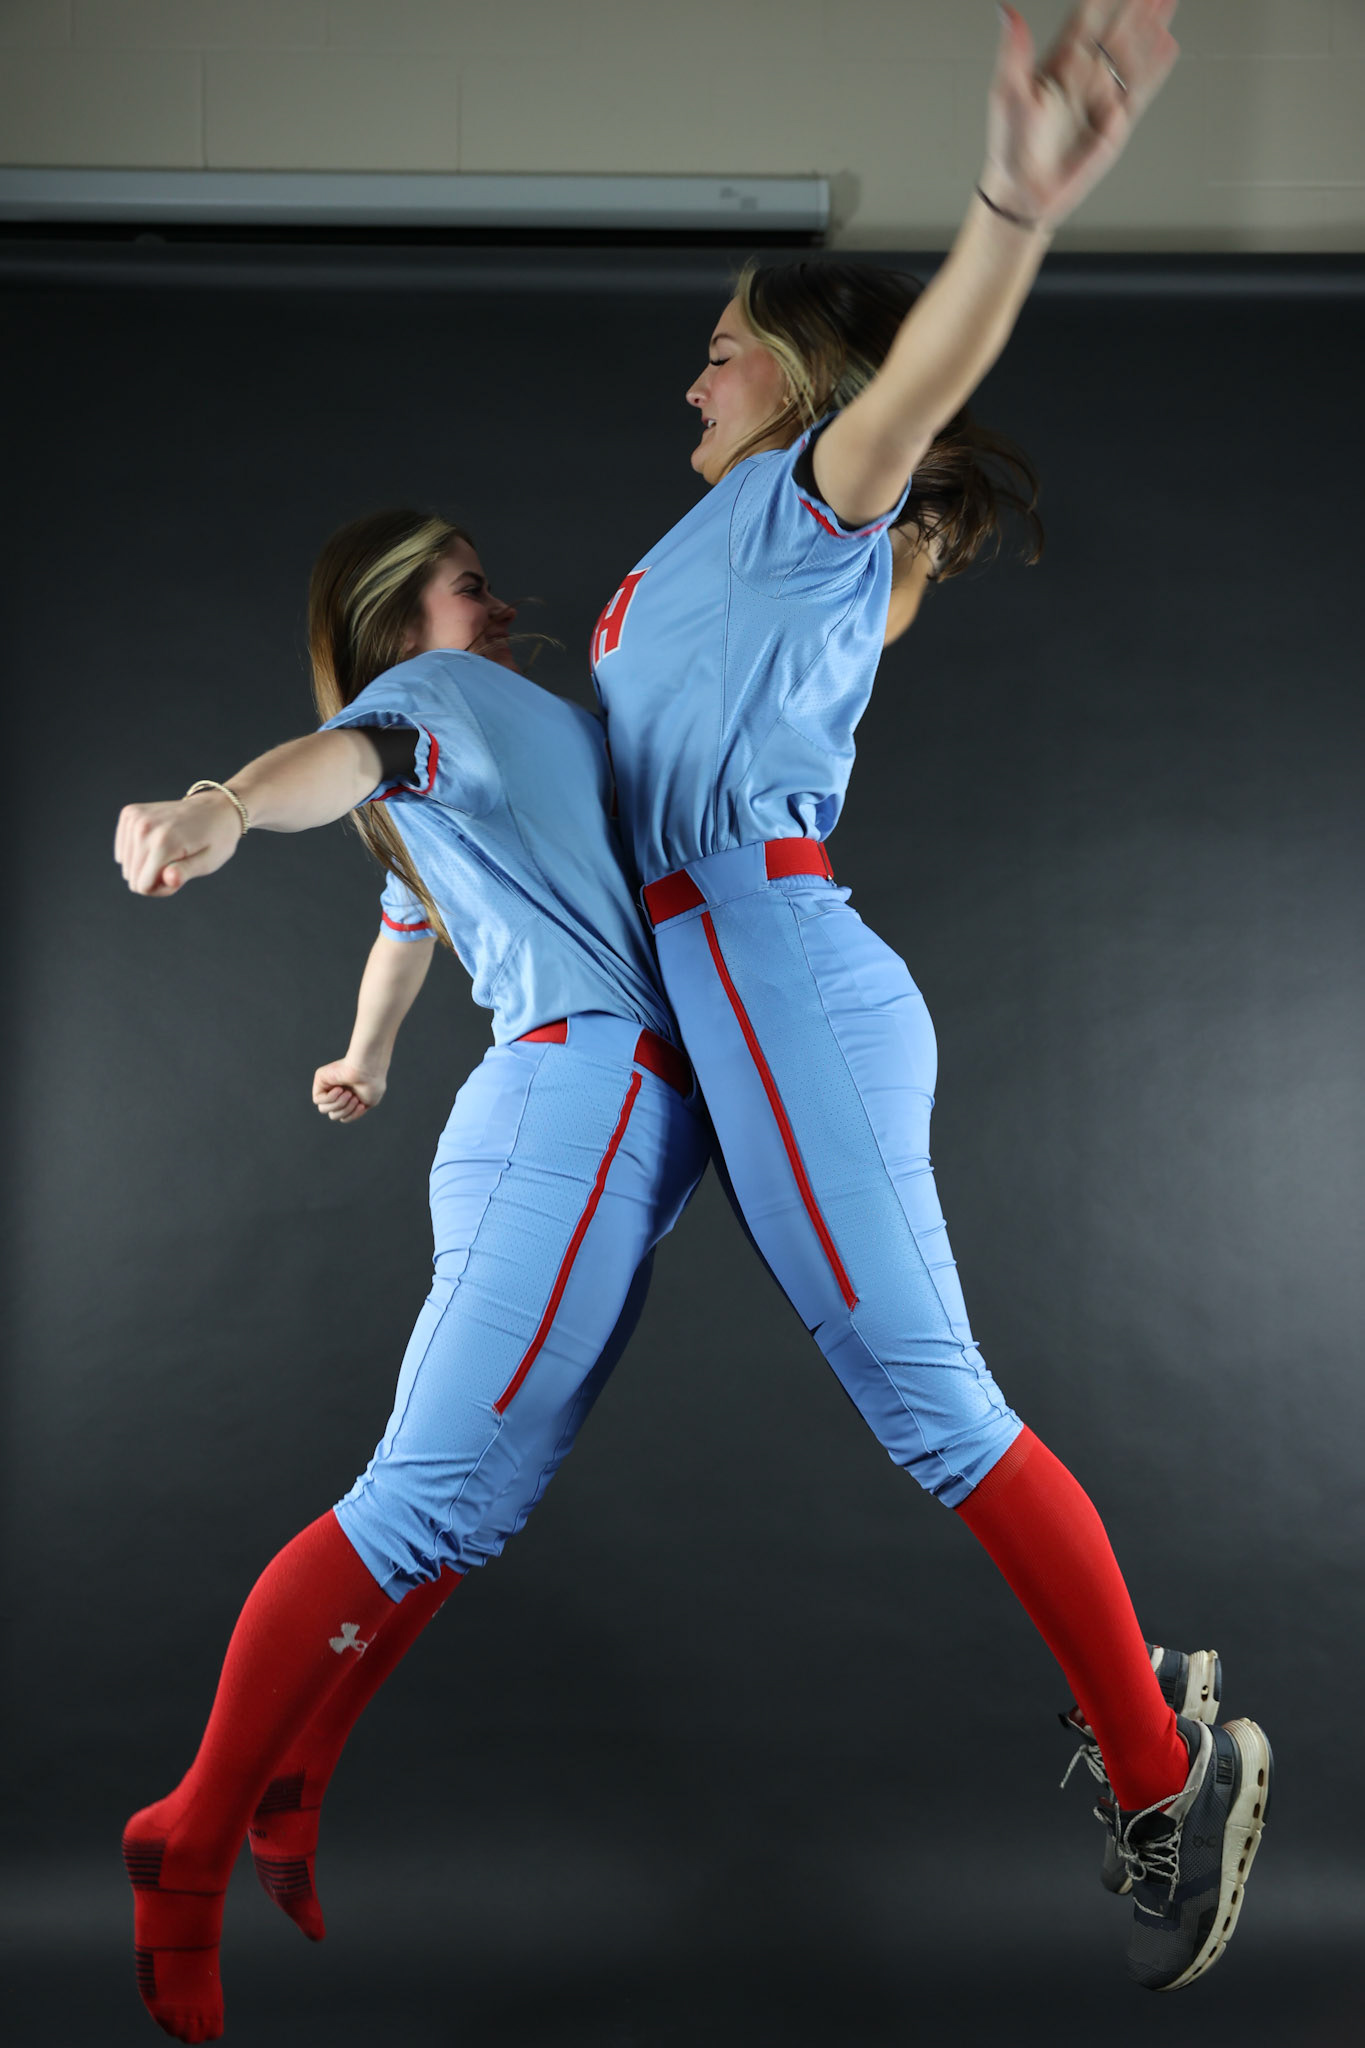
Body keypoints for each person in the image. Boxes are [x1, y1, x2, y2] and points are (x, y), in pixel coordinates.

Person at [589, 0, 1270, 1992]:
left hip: (776, 973)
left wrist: (1010, 204)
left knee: (933, 1412)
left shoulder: (814, 489)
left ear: (800, 371)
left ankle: (1162, 1760)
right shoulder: (697, 553)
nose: (689, 363)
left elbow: (934, 369)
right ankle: (1142, 1700)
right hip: (715, 986)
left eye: (723, 333)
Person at [116, 511, 711, 2043]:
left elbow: (409, 909)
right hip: (571, 1113)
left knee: (473, 1515)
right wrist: (225, 806)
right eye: (462, 581)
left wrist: (367, 1053)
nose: (494, 596)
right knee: (419, 1503)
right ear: (397, 621)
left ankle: (292, 1792)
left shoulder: (491, 746)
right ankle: (188, 1839)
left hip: (577, 1134)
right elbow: (342, 764)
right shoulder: (430, 704)